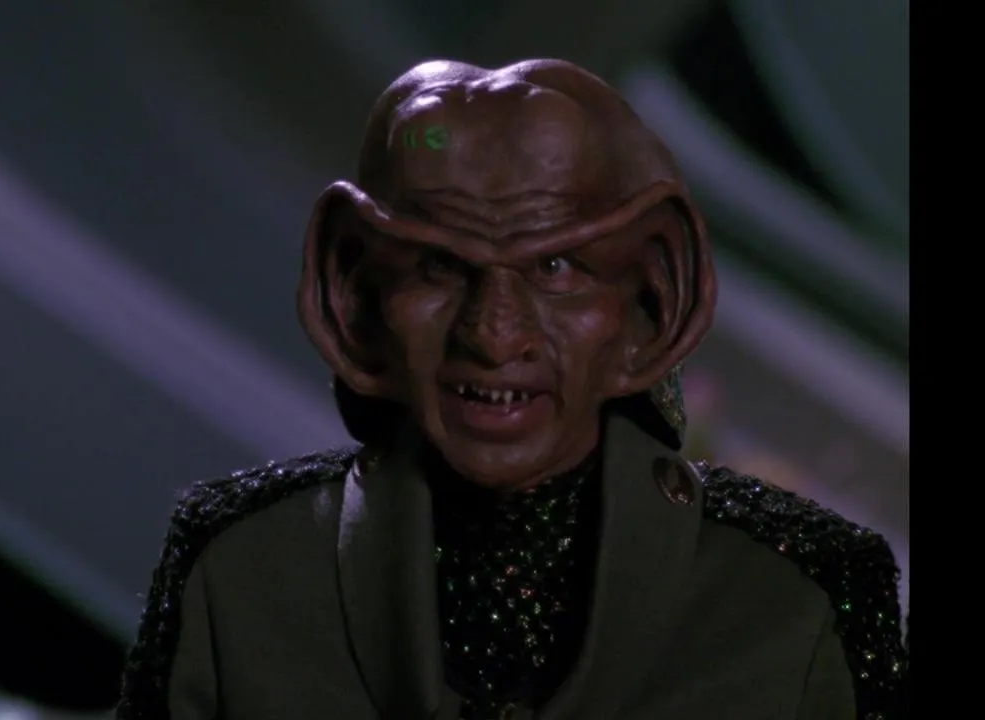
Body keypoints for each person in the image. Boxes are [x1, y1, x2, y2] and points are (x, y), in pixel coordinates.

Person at [117, 59, 908, 720]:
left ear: (655, 305)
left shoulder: (798, 597)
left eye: (556, 268)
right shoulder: (240, 569)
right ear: (349, 298)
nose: (494, 336)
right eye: (438, 266)